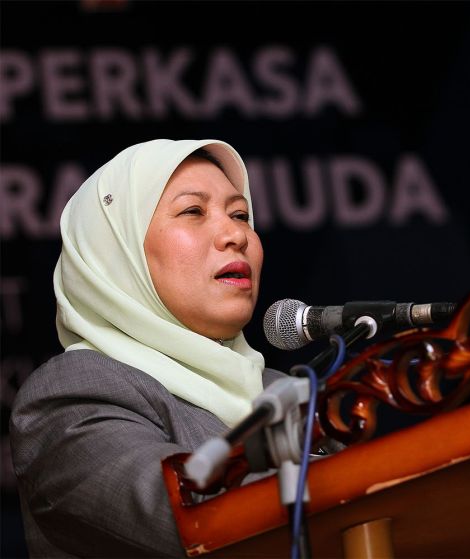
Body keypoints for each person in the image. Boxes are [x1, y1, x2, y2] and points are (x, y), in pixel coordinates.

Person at [10, 139, 282, 557]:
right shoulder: (73, 393)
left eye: (241, 214)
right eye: (193, 211)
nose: (235, 235)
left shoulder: (283, 390)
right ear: (117, 251)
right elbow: (187, 511)